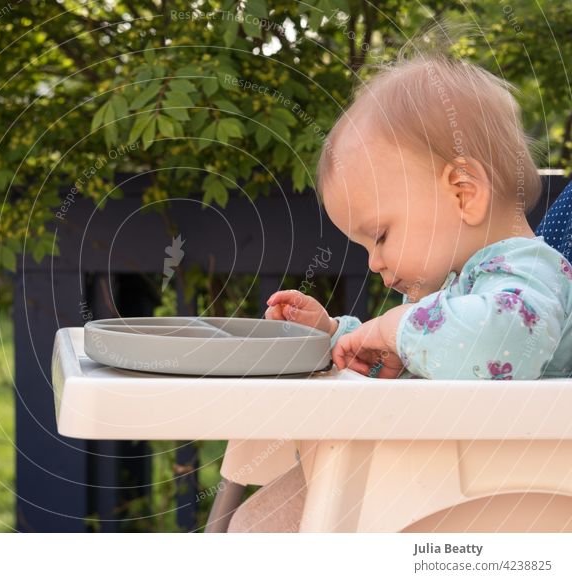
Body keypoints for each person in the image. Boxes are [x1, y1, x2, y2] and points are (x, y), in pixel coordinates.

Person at [228, 53, 572, 532]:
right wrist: (337, 336)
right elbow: (410, 358)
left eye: (381, 235)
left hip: (503, 501)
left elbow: (503, 344)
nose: (373, 263)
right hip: (430, 474)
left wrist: (393, 327)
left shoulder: (528, 272)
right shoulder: (458, 286)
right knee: (249, 525)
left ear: (463, 192)